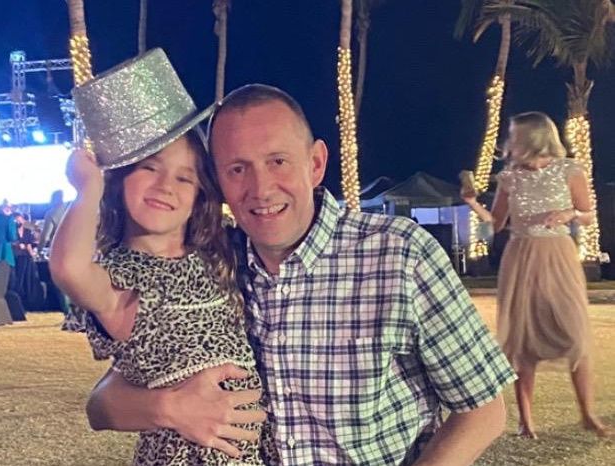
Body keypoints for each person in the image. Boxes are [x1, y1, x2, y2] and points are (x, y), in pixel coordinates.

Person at [85, 84, 517, 466]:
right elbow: (103, 403)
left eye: (277, 161)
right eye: (237, 169)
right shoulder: (209, 266)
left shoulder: (399, 254)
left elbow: (483, 409)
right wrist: (170, 408)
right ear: (217, 182)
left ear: (315, 163)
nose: (260, 188)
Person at [50, 50, 278, 465]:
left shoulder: (218, 254)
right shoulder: (119, 279)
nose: (166, 187)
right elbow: (69, 268)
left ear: (199, 195)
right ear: (120, 181)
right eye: (149, 169)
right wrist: (87, 191)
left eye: (184, 177)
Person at [462, 111, 610, 439]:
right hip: (521, 256)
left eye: (515, 135)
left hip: (558, 256)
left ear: (533, 137)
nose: (509, 141)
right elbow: (496, 225)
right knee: (522, 340)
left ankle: (587, 414)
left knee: (575, 334)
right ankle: (525, 421)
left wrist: (570, 213)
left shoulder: (570, 169)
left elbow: (587, 214)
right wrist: (473, 203)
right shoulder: (509, 178)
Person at [38, 189, 68, 253]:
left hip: (59, 250)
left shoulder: (51, 213)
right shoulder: (74, 210)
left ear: (53, 200)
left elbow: (45, 237)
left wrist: (39, 250)